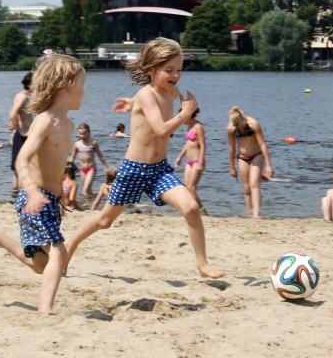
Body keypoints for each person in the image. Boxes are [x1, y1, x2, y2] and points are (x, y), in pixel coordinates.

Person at [65, 37, 223, 279]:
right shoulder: (146, 94)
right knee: (104, 221)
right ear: (152, 70)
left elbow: (152, 110)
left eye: (179, 70)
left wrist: (130, 104)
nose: (175, 75)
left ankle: (202, 264)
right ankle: (68, 248)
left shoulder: (173, 93)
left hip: (160, 170)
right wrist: (185, 113)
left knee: (191, 207)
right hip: (134, 170)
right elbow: (161, 129)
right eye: (169, 70)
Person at [0, 54, 85, 313]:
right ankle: (45, 310)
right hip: (34, 197)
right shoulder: (44, 121)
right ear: (68, 87)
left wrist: (60, 199)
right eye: (82, 87)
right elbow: (22, 159)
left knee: (42, 265)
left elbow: (54, 165)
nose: (84, 94)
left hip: (49, 200)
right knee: (59, 253)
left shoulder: (68, 123)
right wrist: (31, 191)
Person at [174, 107, 207, 215]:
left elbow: (203, 146)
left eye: (183, 117)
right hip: (189, 162)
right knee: (187, 189)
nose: (182, 120)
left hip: (197, 160)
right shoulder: (189, 127)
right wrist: (180, 156)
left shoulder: (198, 127)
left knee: (191, 188)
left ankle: (202, 211)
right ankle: (194, 210)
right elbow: (188, 144)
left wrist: (201, 162)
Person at [69, 123, 109, 196]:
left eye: (84, 134)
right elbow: (73, 157)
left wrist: (106, 167)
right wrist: (68, 168)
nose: (82, 136)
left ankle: (84, 203)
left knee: (85, 189)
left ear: (89, 133)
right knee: (88, 189)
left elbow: (100, 156)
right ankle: (90, 201)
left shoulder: (93, 143)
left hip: (91, 169)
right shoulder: (77, 144)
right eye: (80, 134)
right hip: (82, 170)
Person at [9, 72, 34, 188]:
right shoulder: (23, 97)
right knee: (23, 167)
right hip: (23, 136)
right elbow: (13, 114)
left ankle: (15, 195)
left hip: (21, 135)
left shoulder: (19, 95)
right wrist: (20, 130)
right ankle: (20, 195)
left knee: (17, 168)